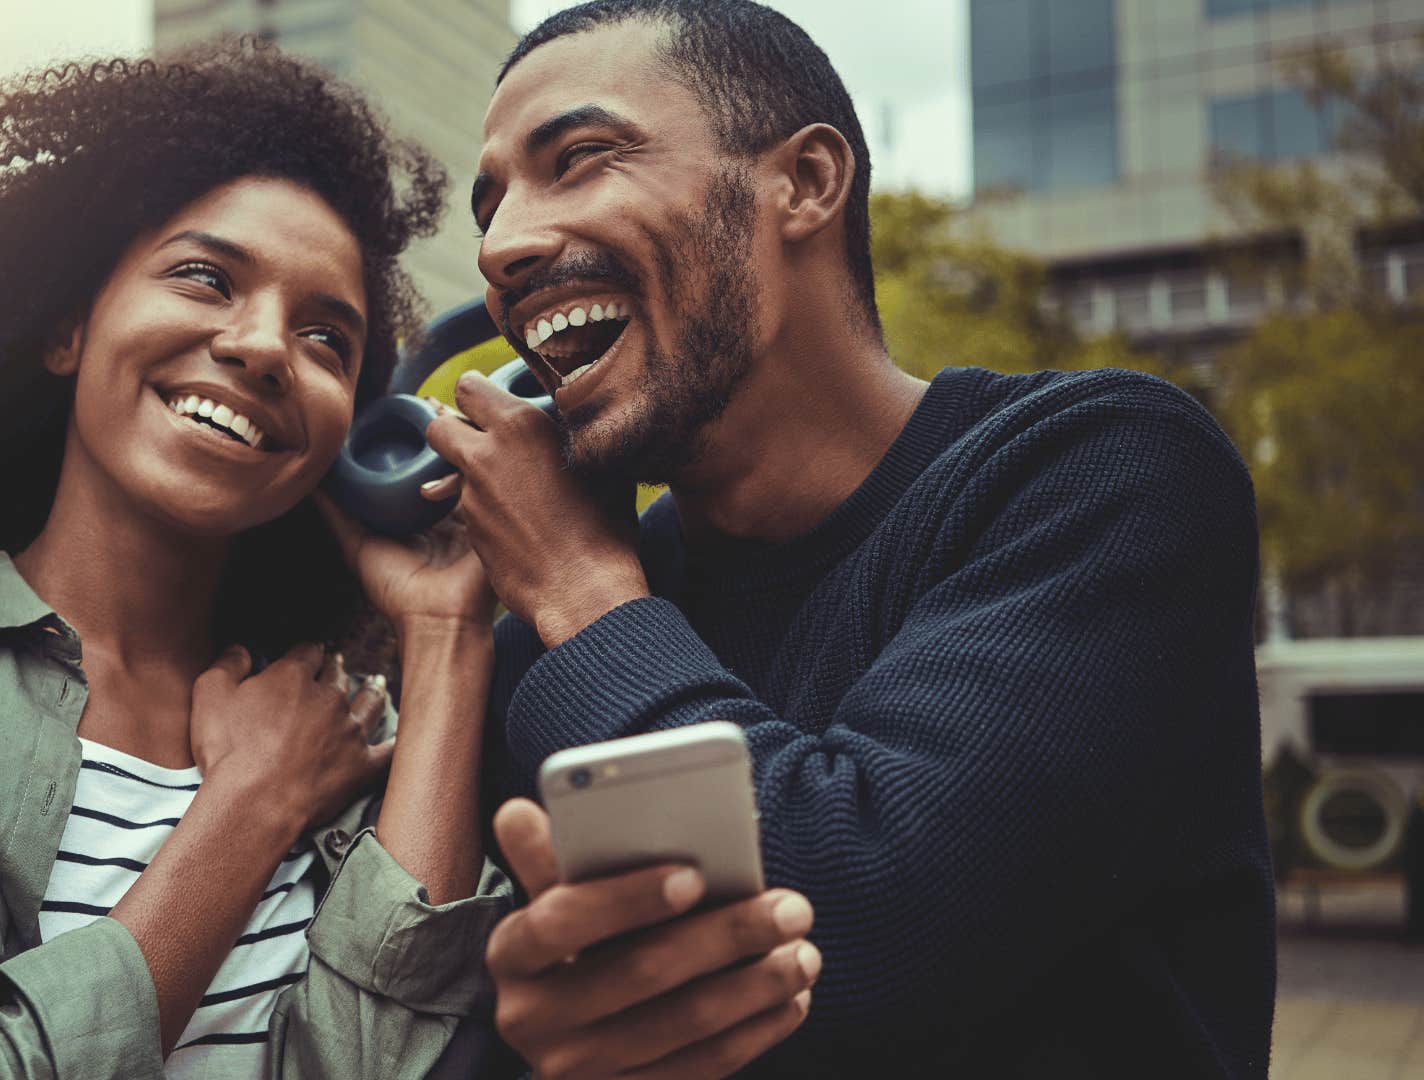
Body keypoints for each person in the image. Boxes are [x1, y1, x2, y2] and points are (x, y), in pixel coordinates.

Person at [429, 1, 1276, 1075]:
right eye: (489, 206)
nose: (501, 249)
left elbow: (867, 928)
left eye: (581, 159)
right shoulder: (542, 645)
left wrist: (578, 583)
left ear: (808, 183)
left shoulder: (1104, 470)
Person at [0, 41, 512, 1079]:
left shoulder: (338, 728)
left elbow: (382, 1065)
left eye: (328, 339)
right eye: (205, 276)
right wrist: (251, 806)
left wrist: (446, 636)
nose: (267, 346)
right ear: (66, 328)